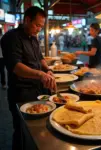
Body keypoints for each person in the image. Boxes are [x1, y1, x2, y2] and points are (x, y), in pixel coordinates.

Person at [1, 6, 56, 150]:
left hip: (37, 89)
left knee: (37, 131)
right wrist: (40, 74)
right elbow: (16, 66)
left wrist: (47, 70)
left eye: (41, 26)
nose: (39, 29)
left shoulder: (33, 38)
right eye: (37, 25)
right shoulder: (11, 37)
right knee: (21, 131)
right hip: (21, 92)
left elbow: (40, 58)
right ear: (27, 20)